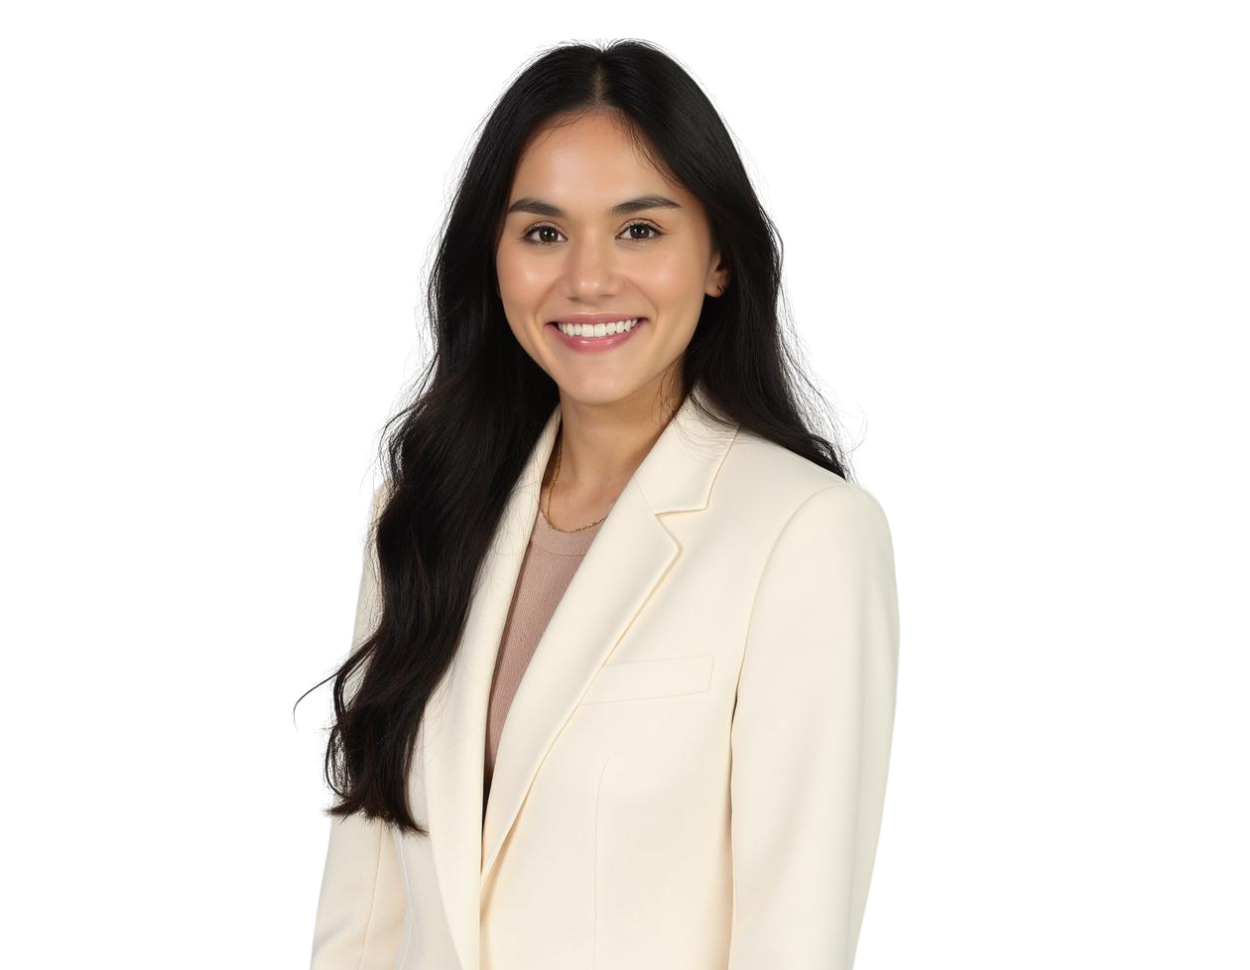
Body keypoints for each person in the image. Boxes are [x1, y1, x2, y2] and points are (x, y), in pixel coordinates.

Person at [302, 39, 899, 970]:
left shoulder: (807, 533)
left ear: (718, 260)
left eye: (640, 230)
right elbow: (364, 909)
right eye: (543, 232)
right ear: (493, 257)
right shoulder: (418, 507)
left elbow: (798, 936)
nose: (587, 279)